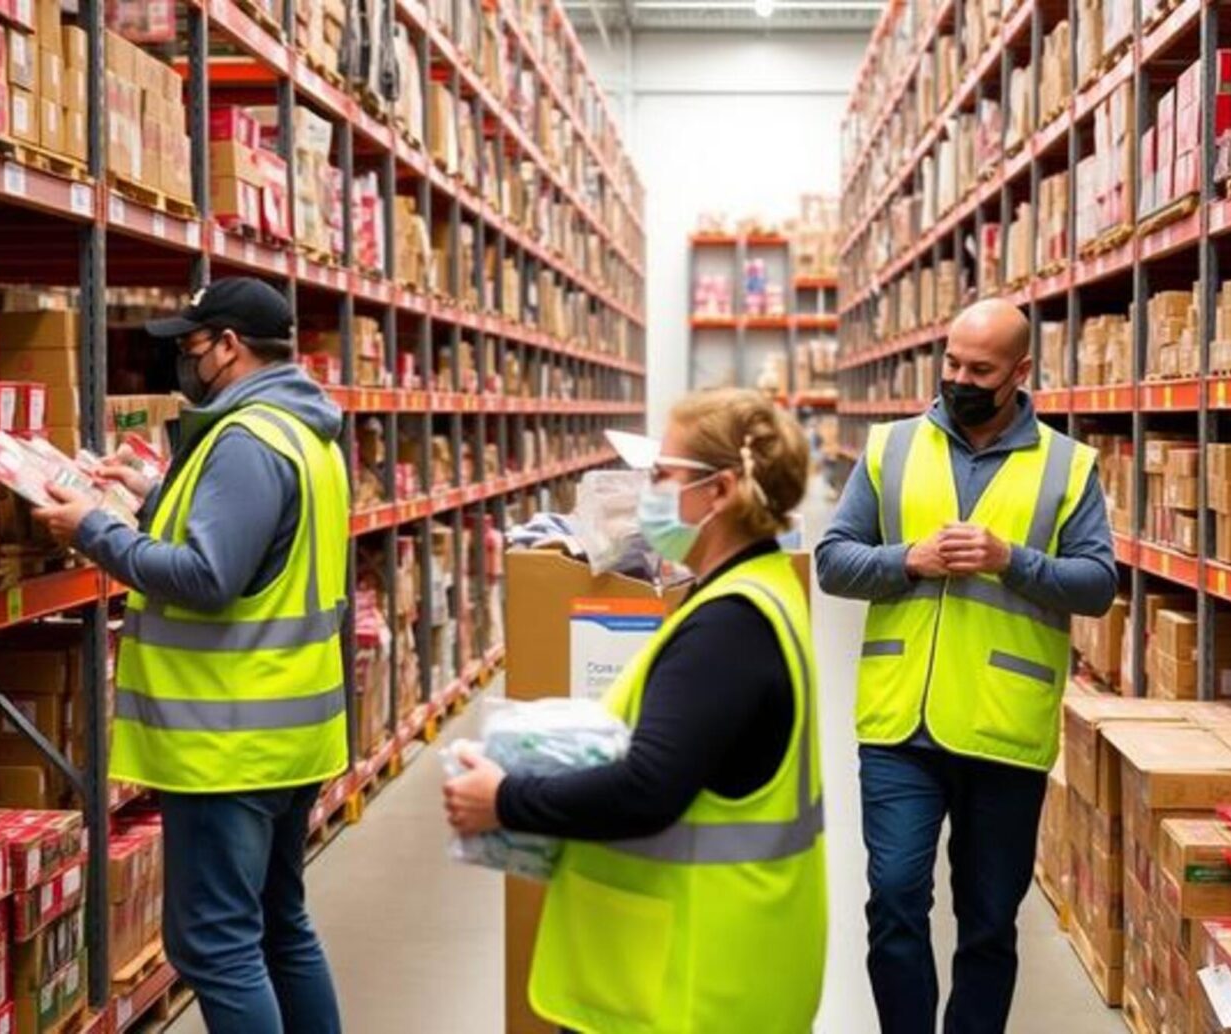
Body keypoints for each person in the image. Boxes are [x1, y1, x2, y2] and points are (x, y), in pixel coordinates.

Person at [444, 389, 827, 1034]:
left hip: (690, 987)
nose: (645, 491)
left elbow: (648, 789)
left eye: (663, 475)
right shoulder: (756, 594)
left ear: (721, 490)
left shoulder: (727, 630)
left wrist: (504, 799)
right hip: (724, 966)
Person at [32, 277, 348, 1034]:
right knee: (277, 927)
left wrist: (93, 532)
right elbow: (252, 542)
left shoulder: (245, 441)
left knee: (214, 947)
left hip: (227, 742)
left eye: (192, 343)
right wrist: (149, 494)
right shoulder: (302, 432)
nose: (185, 358)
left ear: (229, 346)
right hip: (289, 736)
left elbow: (208, 577)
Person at [817, 297, 1118, 1034]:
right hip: (900, 722)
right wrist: (907, 560)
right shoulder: (889, 449)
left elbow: (1098, 585)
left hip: (1002, 726)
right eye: (951, 363)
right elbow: (832, 560)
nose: (959, 379)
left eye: (979, 369)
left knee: (988, 923)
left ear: (1020, 372)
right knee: (892, 898)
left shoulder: (1067, 466)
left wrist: (1012, 561)